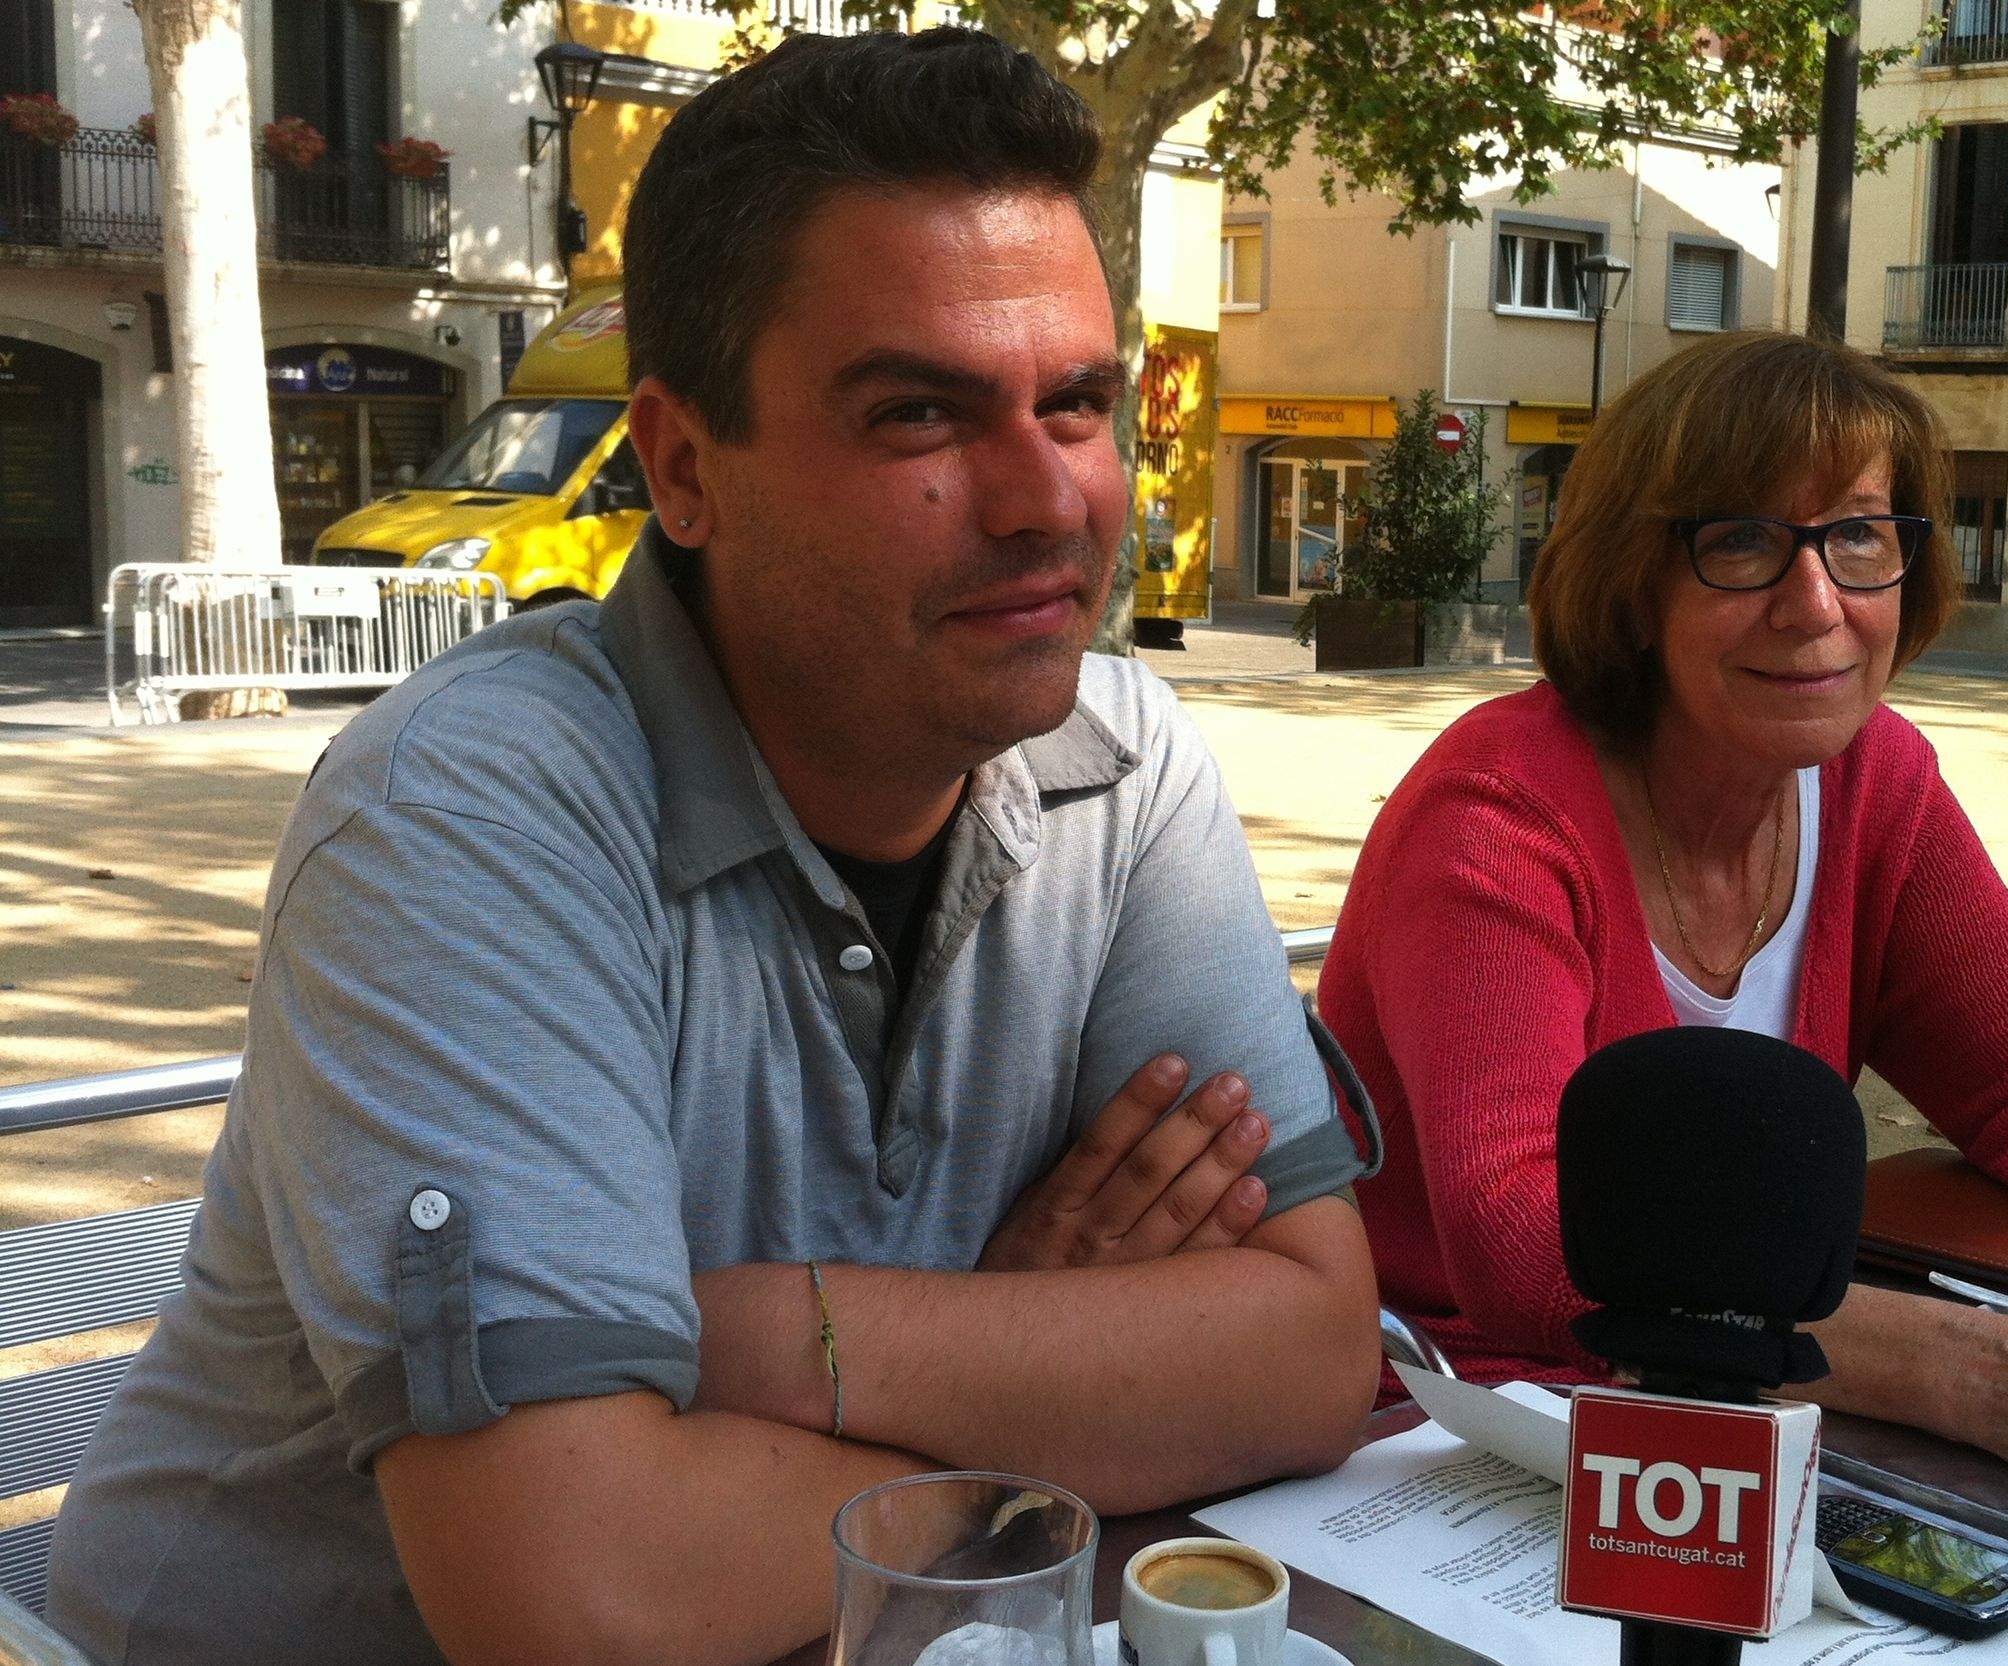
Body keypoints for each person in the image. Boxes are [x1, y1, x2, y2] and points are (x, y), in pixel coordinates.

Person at [49, 32, 1380, 1666]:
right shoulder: (467, 813)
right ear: (682, 465)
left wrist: (764, 1332)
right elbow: (584, 1600)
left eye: (1079, 402)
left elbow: (1312, 1353)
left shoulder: (1126, 762)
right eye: (919, 415)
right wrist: (1052, 1368)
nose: (1048, 500)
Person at [1317, 331, 2008, 1515]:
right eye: (1743, 539)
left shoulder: (1874, 783)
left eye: (1857, 535)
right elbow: (1529, 1244)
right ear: (1631, 578)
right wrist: (1983, 1372)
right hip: (1450, 1429)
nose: (1813, 604)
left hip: (1751, 1407)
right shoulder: (1494, 814)